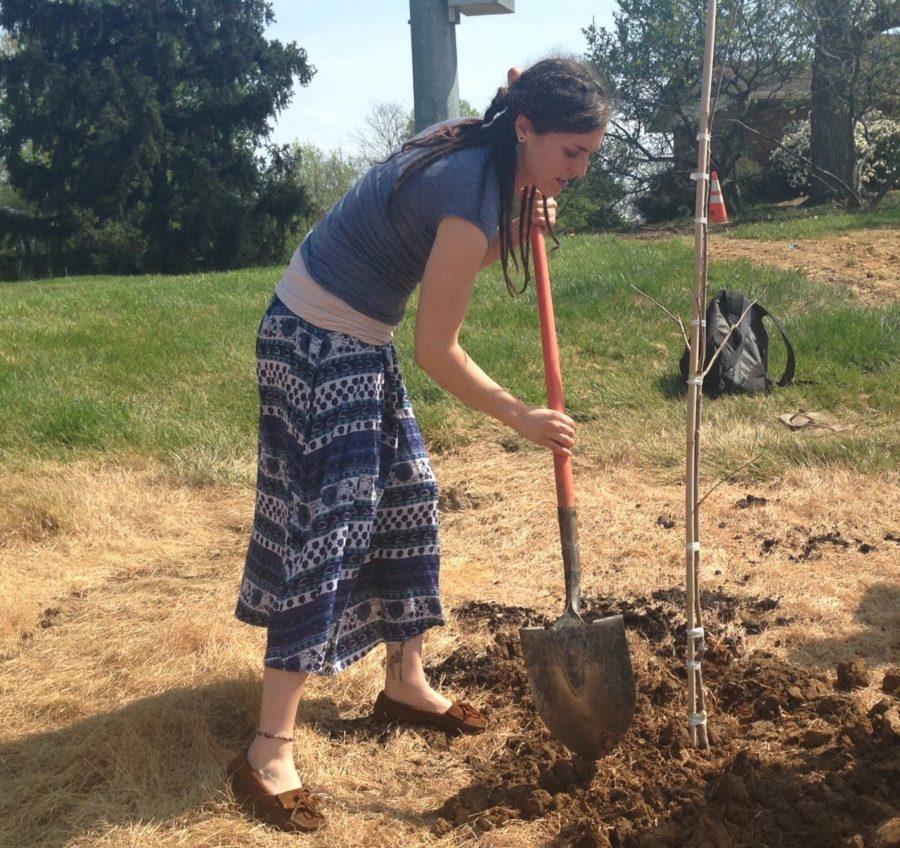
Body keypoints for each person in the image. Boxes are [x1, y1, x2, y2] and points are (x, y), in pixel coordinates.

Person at [227, 57, 610, 832]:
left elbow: (442, 262)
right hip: (313, 336)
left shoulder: (489, 152)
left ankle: (404, 681)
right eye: (572, 152)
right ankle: (269, 745)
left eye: (592, 155)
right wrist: (523, 418)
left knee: (409, 499)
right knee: (331, 525)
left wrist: (518, 226)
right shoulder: (469, 188)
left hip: (361, 336)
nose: (581, 170)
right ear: (527, 129)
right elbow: (439, 349)